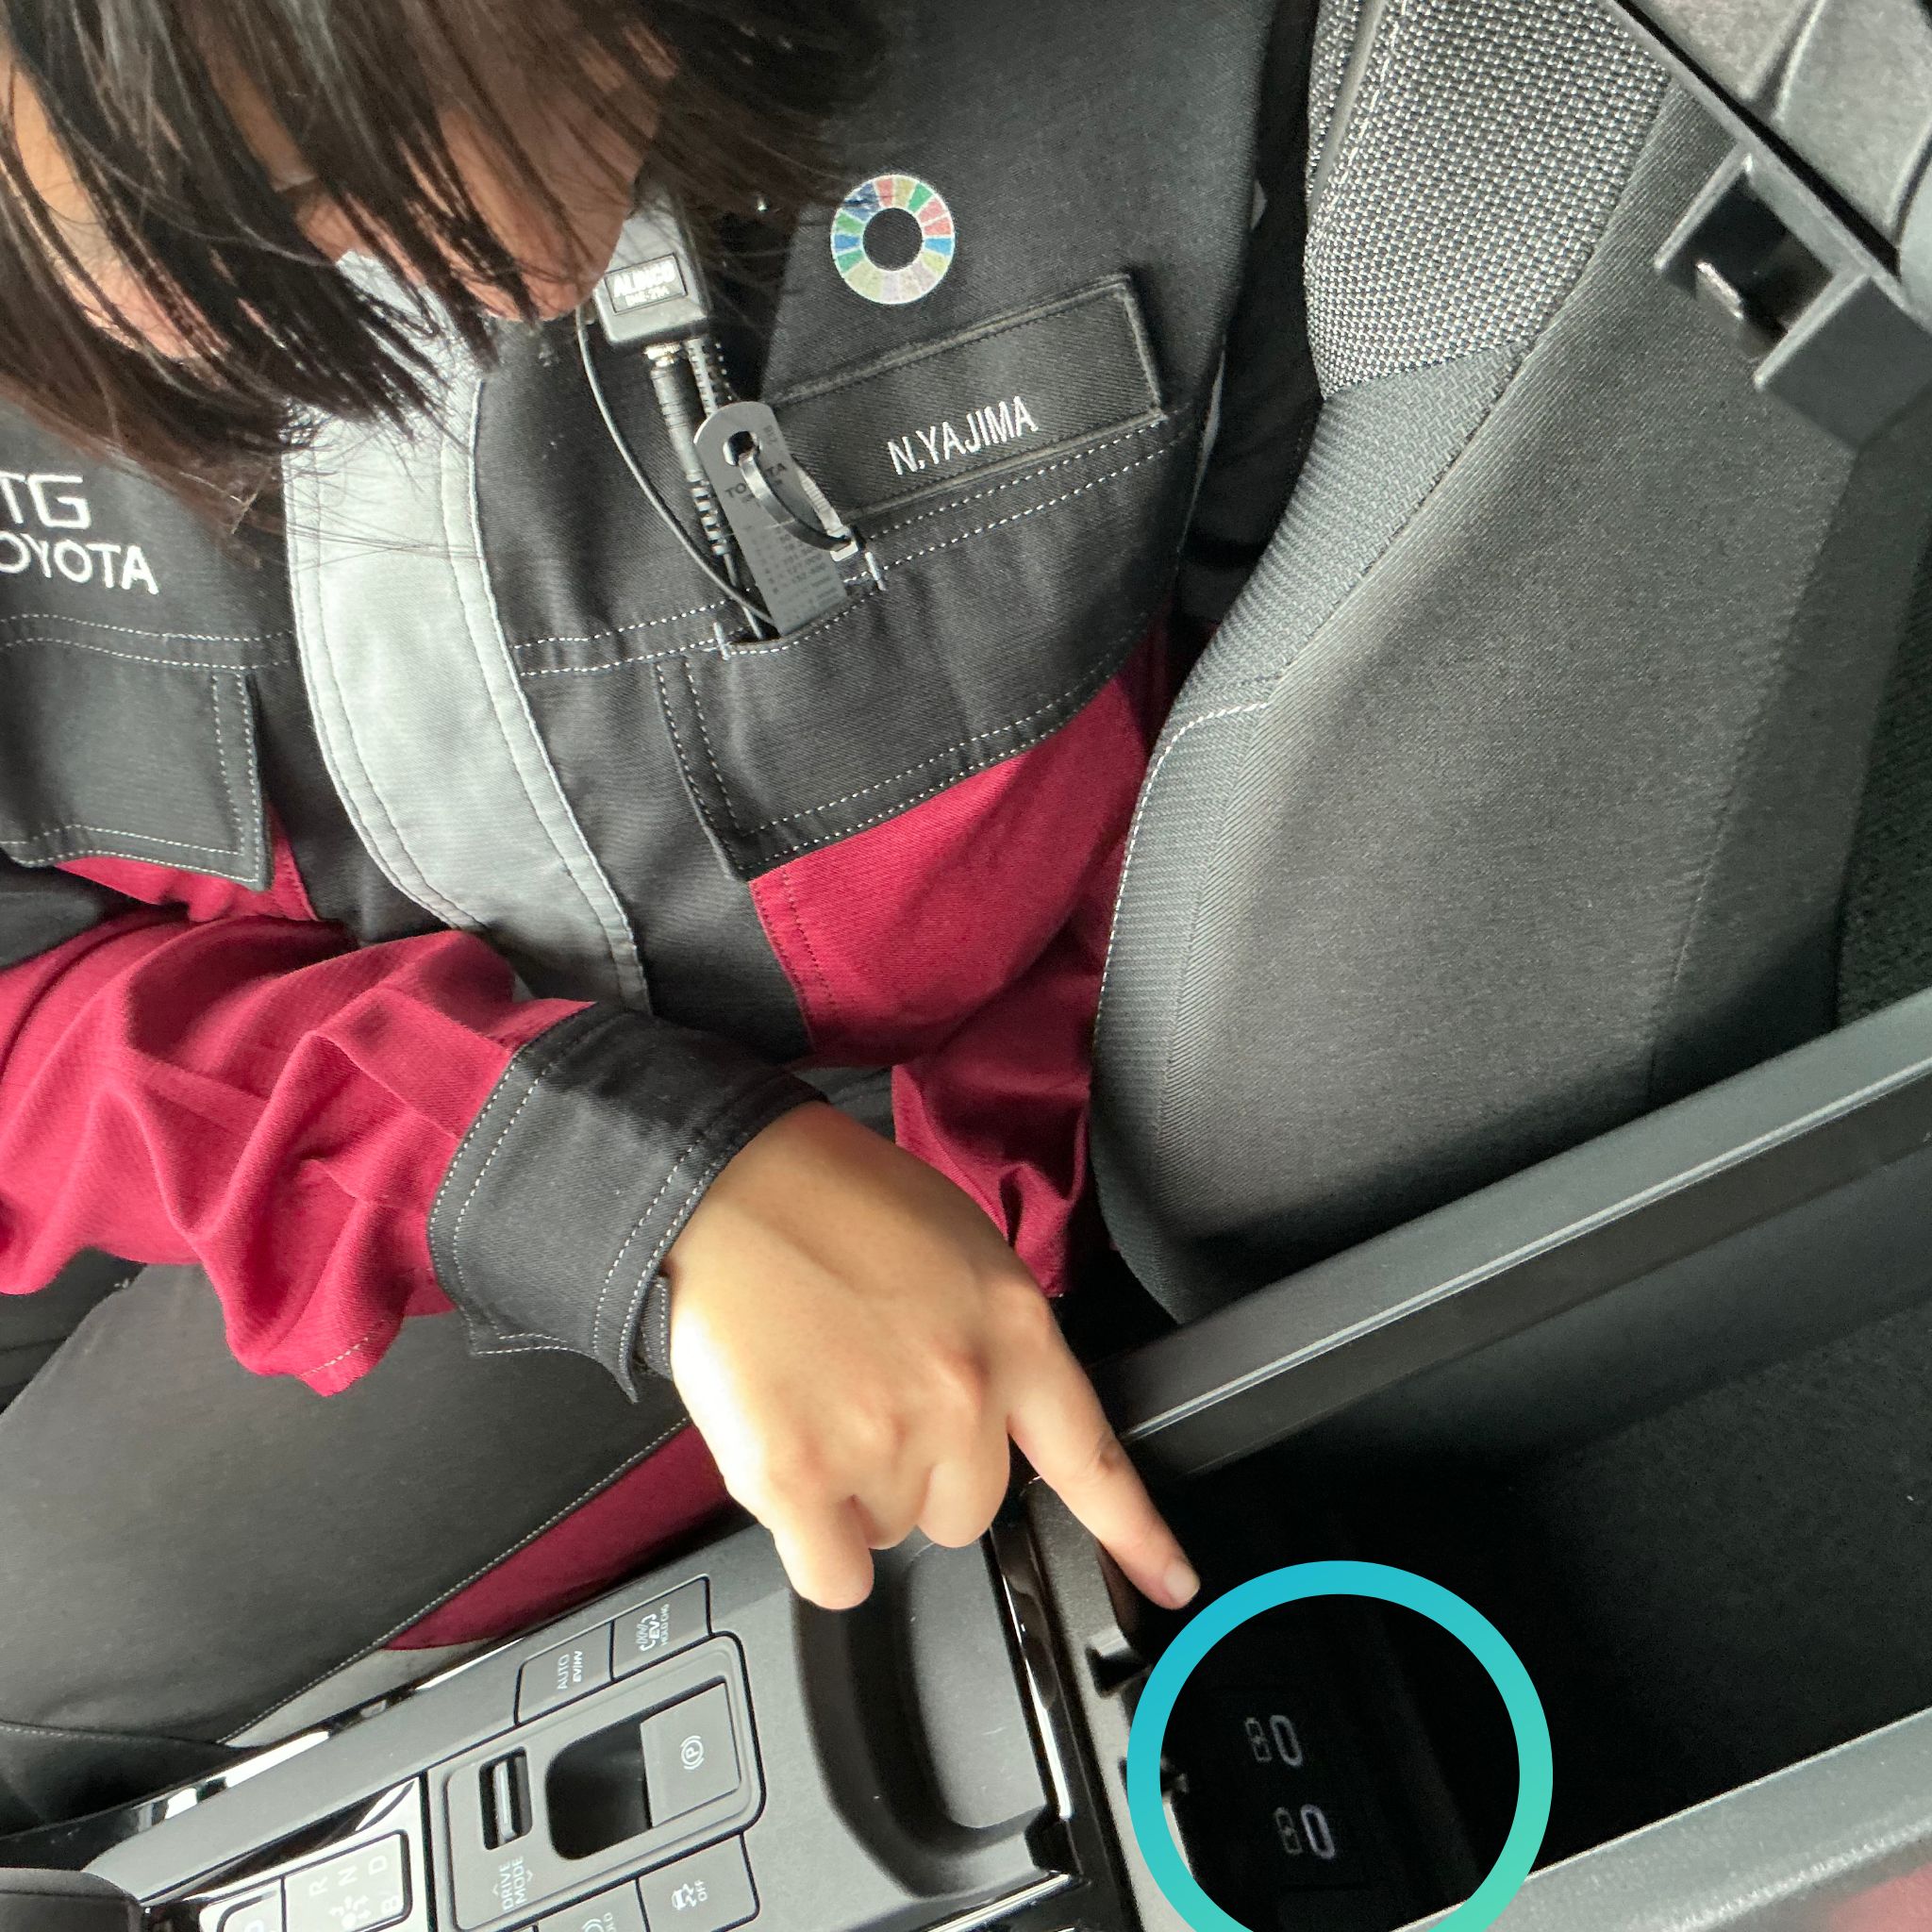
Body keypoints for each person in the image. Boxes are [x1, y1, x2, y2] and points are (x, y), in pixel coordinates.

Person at [0, 0, 1293, 1830]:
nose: (168, 325)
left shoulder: (1185, 91)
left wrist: (962, 1190)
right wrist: (572, 1170)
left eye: (303, 188)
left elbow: (1256, 769)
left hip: (862, 1141)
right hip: (232, 1092)